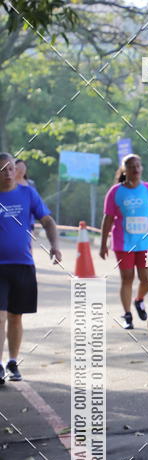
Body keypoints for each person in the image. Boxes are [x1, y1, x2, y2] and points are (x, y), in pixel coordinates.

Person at [0, 152, 62, 384]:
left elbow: (47, 220)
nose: (8, 173)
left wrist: (55, 246)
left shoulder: (27, 193)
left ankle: (13, 361)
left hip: (23, 265)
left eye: (10, 169)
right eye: (2, 170)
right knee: (0, 316)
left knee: (16, 317)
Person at [99, 153, 148, 329]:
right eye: (131, 166)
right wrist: (103, 243)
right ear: (124, 170)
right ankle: (127, 315)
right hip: (123, 242)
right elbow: (108, 218)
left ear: (141, 168)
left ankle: (139, 300)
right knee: (127, 278)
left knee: (147, 278)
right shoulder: (115, 192)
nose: (135, 169)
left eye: (138, 166)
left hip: (145, 243)